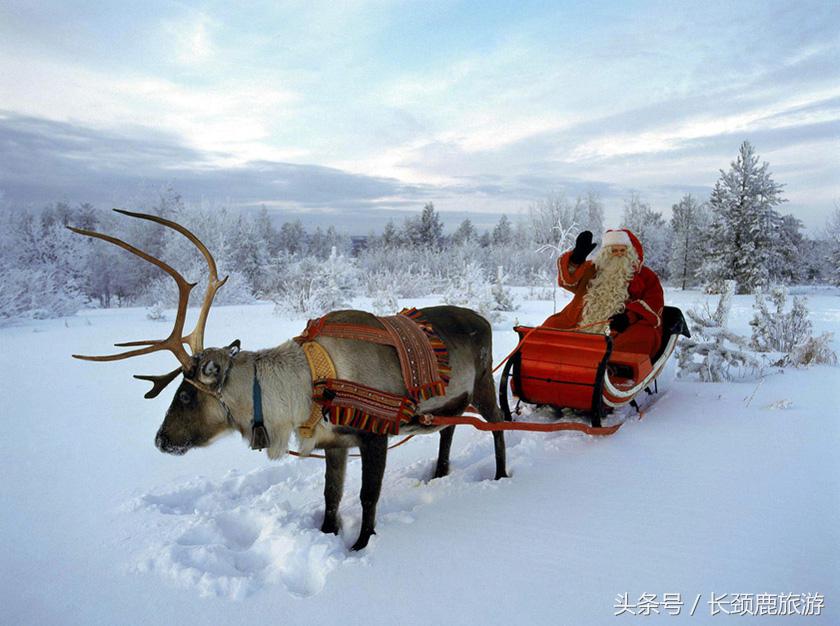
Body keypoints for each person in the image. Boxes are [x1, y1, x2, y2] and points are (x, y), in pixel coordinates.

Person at [543, 229, 664, 357]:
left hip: (620, 327)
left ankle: (609, 370)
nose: (618, 254)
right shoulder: (593, 269)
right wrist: (576, 259)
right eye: (614, 251)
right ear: (606, 253)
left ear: (630, 253)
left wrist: (629, 317)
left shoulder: (645, 275)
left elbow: (654, 301)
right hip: (580, 320)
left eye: (623, 251)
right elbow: (568, 282)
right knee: (549, 328)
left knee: (642, 337)